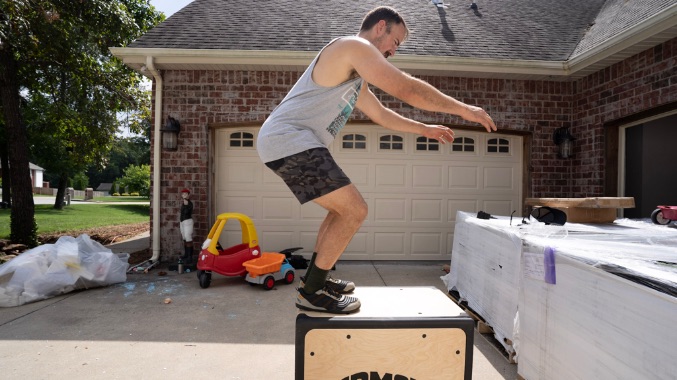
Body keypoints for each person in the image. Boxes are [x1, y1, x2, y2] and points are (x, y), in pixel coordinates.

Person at [257, 6, 497, 314]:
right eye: (395, 42)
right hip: (287, 139)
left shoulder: (354, 79)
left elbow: (382, 115)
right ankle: (312, 292)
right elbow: (405, 88)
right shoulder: (351, 47)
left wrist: (424, 129)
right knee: (355, 210)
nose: (393, 52)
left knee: (340, 210)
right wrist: (464, 109)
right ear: (380, 27)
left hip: (291, 142)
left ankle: (317, 280)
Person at [179, 188, 194, 267]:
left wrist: (185, 202)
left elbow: (187, 211)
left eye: (185, 194)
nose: (184, 195)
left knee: (188, 238)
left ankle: (190, 256)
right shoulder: (184, 203)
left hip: (188, 221)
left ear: (188, 195)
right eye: (183, 194)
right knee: (184, 238)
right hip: (182, 222)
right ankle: (186, 254)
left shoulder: (189, 203)